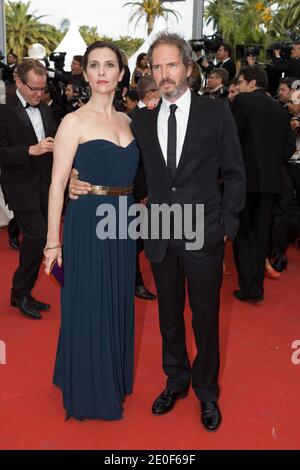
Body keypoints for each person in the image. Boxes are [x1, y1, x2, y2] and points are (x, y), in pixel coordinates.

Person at [70, 33, 246, 431]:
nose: (164, 75)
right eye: (157, 67)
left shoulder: (215, 113)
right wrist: (79, 180)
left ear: (188, 67)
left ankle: (206, 391)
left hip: (205, 234)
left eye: (171, 65)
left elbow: (235, 174)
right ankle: (176, 380)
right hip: (160, 234)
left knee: (205, 318)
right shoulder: (143, 118)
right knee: (169, 317)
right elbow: (128, 172)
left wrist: (227, 227)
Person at [44, 41, 139, 421]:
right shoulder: (74, 121)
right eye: (95, 65)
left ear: (120, 73)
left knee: (115, 299)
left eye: (110, 65)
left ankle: (111, 376)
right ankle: (88, 388)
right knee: (88, 301)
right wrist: (53, 242)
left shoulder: (130, 121)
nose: (102, 72)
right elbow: (57, 184)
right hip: (87, 222)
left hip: (123, 222)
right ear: (85, 74)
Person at [231, 65, 296, 302]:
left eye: (239, 82)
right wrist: (271, 164)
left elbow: (232, 139)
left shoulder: (242, 102)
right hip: (269, 183)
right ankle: (256, 288)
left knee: (244, 235)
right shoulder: (280, 110)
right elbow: (289, 147)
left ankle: (249, 289)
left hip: (244, 181)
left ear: (251, 82)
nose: (237, 87)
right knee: (260, 237)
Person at [0, 59, 56, 320]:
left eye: (42, 89)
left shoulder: (44, 108)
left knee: (40, 240)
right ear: (19, 82)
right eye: (33, 89)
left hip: (46, 185)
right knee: (37, 237)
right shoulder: (3, 109)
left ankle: (21, 292)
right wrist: (29, 150)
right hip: (20, 187)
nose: (39, 94)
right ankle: (20, 291)